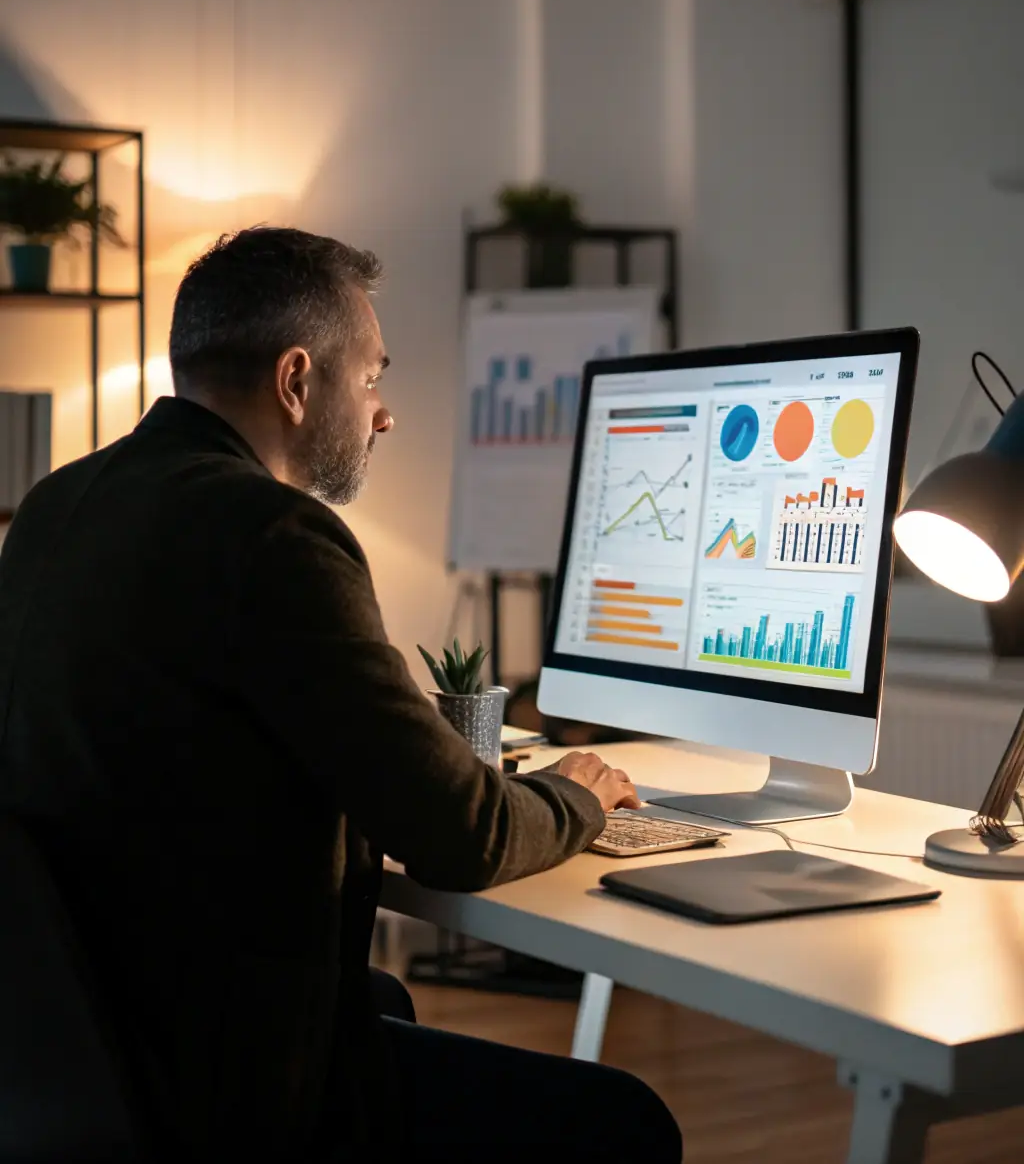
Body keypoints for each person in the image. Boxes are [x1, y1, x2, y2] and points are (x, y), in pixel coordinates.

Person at [0, 227, 682, 1164]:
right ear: (296, 381)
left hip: (66, 1055)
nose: (383, 412)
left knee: (383, 1004)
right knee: (625, 1124)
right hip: (217, 1095)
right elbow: (463, 833)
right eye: (370, 378)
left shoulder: (55, 504)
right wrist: (576, 790)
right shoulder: (275, 536)